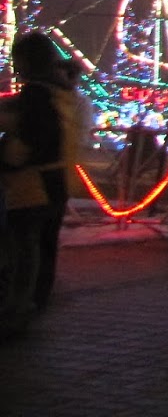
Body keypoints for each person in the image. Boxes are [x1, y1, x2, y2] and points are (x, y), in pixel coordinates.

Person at [0, 32, 67, 339]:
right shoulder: (62, 92)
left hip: (30, 184)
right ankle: (29, 304)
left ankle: (17, 310)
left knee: (21, 249)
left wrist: (9, 155)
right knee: (35, 247)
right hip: (54, 182)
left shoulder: (35, 97)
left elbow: (30, 144)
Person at [33, 53, 89, 310]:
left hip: (42, 176)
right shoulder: (79, 103)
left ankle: (34, 289)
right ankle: (41, 287)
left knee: (33, 237)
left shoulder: (49, 100)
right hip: (61, 176)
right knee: (47, 236)